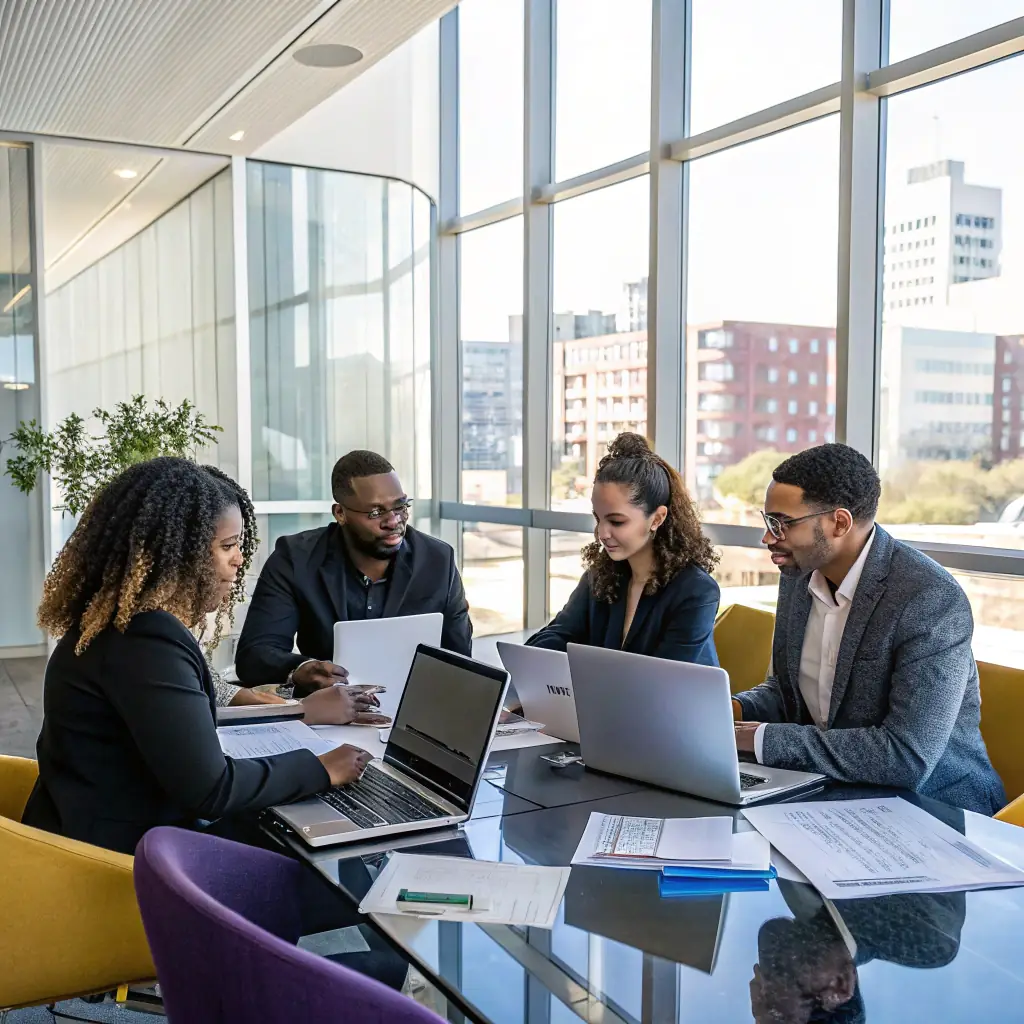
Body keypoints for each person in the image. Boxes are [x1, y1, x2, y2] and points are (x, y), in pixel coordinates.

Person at [22, 457, 373, 855]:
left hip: (88, 829)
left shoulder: (117, 623)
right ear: (175, 554)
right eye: (227, 546)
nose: (239, 560)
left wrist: (297, 711)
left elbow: (178, 723)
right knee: (323, 856)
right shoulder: (145, 641)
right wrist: (323, 768)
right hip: (120, 862)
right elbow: (211, 789)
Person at [732, 443, 1005, 815]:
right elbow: (789, 691)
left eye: (781, 523)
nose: (768, 537)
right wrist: (731, 710)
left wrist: (756, 738)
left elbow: (905, 757)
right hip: (833, 791)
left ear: (840, 523)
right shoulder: (798, 573)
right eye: (767, 521)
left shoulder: (928, 599)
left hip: (933, 809)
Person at [235, 450, 472, 695]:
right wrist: (301, 669)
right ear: (340, 513)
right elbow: (254, 655)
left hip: (413, 709)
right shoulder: (296, 559)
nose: (393, 521)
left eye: (400, 506)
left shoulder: (438, 561)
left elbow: (462, 662)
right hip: (328, 713)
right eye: (376, 512)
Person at [527, 433, 721, 664]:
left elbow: (663, 680)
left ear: (657, 519)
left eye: (617, 522)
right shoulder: (601, 576)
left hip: (674, 700)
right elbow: (556, 635)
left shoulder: (696, 592)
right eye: (598, 519)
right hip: (611, 698)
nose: (602, 533)